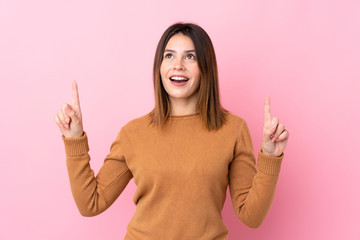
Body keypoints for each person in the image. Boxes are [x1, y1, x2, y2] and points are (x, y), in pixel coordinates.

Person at [54, 23, 289, 239]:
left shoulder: (233, 129)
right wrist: (74, 139)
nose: (178, 65)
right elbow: (90, 204)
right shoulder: (133, 133)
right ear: (159, 67)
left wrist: (270, 156)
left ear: (205, 67)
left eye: (190, 56)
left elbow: (251, 216)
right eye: (169, 56)